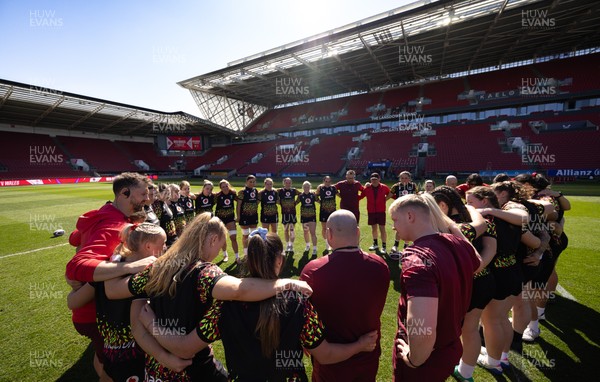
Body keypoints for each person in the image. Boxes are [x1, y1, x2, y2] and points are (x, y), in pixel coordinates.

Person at [139, 229, 377, 381]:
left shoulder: (224, 304)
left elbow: (183, 347)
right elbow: (324, 355)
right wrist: (359, 345)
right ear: (280, 260)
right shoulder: (298, 301)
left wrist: (151, 324)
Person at [106, 213, 313, 381]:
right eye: (220, 245)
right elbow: (239, 290)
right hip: (193, 368)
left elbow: (113, 292)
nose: (218, 252)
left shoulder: (157, 267)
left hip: (156, 370)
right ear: (213, 239)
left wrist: (123, 263)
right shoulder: (204, 273)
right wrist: (286, 283)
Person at [65, 172, 157, 379]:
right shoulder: (115, 226)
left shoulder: (105, 213)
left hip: (89, 309)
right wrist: (129, 268)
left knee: (103, 356)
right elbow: (76, 266)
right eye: (143, 194)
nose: (147, 199)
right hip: (97, 314)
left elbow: (75, 238)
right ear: (125, 193)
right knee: (111, 367)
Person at [389, 194, 480, 381]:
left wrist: (414, 359)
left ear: (410, 216)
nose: (393, 227)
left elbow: (423, 327)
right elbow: (477, 261)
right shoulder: (457, 242)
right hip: (451, 345)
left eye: (395, 220)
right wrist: (455, 230)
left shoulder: (417, 257)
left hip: (426, 358)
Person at [67, 223, 167, 382]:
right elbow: (138, 328)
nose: (166, 248)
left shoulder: (110, 266)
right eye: (163, 244)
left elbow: (73, 302)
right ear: (148, 246)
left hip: (111, 350)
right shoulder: (144, 275)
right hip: (134, 354)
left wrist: (74, 286)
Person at [300, 210, 390, 381]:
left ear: (328, 234)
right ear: (357, 232)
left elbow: (303, 317)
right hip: (368, 356)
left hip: (330, 360)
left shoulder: (313, 271)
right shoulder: (380, 265)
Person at [466, 185, 537, 374]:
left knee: (492, 320)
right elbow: (526, 226)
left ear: (484, 201)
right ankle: (502, 357)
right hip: (514, 271)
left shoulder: (486, 220)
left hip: (498, 274)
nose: (468, 205)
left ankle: (494, 361)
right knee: (501, 319)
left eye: (471, 201)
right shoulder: (508, 217)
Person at [430, 187, 498, 382]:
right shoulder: (482, 223)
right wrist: (477, 267)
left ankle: (462, 371)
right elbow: (491, 249)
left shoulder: (445, 229)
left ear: (443, 205)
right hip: (485, 279)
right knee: (472, 328)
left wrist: (468, 271)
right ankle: (465, 368)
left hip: (464, 285)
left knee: (461, 329)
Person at [387, 171, 419, 259]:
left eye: (406, 178)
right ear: (399, 178)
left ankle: (406, 246)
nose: (404, 179)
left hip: (410, 210)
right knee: (398, 228)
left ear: (409, 178)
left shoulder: (413, 186)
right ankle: (396, 245)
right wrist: (380, 202)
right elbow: (389, 196)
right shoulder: (396, 186)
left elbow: (416, 196)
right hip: (399, 210)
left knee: (409, 227)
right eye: (402, 178)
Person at [360, 172, 391, 256]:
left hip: (381, 211)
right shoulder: (367, 188)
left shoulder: (384, 187)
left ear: (379, 179)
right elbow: (360, 196)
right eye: (372, 179)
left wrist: (384, 200)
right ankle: (375, 243)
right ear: (370, 180)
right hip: (371, 211)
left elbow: (390, 194)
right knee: (374, 229)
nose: (374, 181)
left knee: (382, 228)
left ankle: (384, 246)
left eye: (375, 179)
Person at [215, 179, 239, 262]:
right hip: (220, 220)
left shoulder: (233, 194)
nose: (225, 188)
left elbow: (240, 201)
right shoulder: (218, 196)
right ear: (220, 188)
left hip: (230, 219)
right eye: (223, 187)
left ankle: (237, 257)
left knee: (233, 237)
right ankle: (225, 255)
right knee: (223, 238)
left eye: (226, 186)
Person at [237, 175, 260, 256]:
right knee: (245, 235)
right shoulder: (242, 192)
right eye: (250, 182)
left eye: (254, 182)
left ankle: (252, 252)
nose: (252, 183)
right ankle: (246, 253)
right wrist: (238, 216)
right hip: (244, 216)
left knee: (253, 235)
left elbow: (257, 202)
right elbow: (239, 205)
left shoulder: (255, 191)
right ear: (246, 182)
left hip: (254, 216)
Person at [278, 177, 301, 255]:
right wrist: (279, 202)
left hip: (292, 213)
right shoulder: (280, 191)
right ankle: (287, 244)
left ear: (291, 183)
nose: (288, 184)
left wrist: (296, 202)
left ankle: (291, 245)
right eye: (286, 182)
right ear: (284, 183)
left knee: (291, 230)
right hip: (284, 214)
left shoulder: (294, 190)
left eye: (289, 182)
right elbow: (273, 194)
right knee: (285, 230)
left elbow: (301, 194)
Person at [316, 175, 337, 255]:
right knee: (324, 228)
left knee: (333, 228)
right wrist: (319, 202)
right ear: (323, 181)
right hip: (323, 211)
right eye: (326, 181)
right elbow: (315, 195)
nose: (327, 183)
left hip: (332, 211)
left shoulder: (333, 188)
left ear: (331, 181)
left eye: (329, 181)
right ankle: (327, 243)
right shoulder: (320, 188)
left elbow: (340, 195)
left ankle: (333, 243)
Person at [297, 180, 318, 257]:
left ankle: (315, 248)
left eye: (308, 187)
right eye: (305, 187)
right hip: (304, 217)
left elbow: (320, 201)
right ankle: (308, 245)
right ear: (303, 187)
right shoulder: (300, 196)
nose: (306, 188)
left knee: (313, 233)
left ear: (310, 187)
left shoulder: (313, 195)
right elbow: (295, 203)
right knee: (306, 232)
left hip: (312, 217)